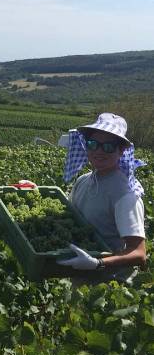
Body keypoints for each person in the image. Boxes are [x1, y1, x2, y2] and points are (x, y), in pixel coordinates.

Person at [57, 113, 146, 282]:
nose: (98, 151)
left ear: (121, 151)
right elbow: (67, 221)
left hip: (111, 288)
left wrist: (97, 263)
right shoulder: (83, 181)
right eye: (93, 144)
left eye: (108, 147)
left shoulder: (125, 194)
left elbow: (139, 253)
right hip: (79, 282)